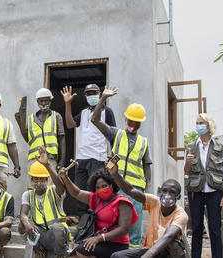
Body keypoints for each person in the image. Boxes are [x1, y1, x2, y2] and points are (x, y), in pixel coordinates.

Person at [91, 86, 151, 247]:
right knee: (113, 228)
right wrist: (102, 98)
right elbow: (95, 120)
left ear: (140, 123)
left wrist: (147, 192)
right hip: (117, 188)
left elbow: (147, 167)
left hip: (136, 190)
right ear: (126, 120)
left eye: (135, 122)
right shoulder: (116, 134)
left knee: (134, 233)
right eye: (130, 121)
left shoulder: (144, 142)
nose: (132, 124)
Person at [58, 156, 137, 258]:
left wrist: (99, 238)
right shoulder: (97, 198)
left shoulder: (122, 202)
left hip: (117, 245)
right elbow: (76, 193)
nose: (101, 189)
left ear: (112, 185)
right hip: (98, 241)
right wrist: (65, 178)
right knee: (74, 254)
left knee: (81, 251)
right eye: (98, 188)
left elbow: (123, 229)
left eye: (104, 186)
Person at [108, 163, 188, 258]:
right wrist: (115, 174)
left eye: (172, 192)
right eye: (164, 191)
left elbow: (168, 236)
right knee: (117, 256)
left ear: (178, 197)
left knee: (173, 242)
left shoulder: (181, 214)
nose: (167, 195)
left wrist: (146, 256)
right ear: (159, 192)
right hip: (150, 249)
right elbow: (130, 190)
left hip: (168, 254)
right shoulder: (154, 202)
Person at [61, 84, 116, 216]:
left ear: (99, 94)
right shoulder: (84, 112)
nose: (92, 96)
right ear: (85, 96)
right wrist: (68, 104)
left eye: (94, 93)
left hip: (98, 158)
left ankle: (97, 219)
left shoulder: (106, 112)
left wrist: (112, 160)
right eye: (89, 94)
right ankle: (83, 221)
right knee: (80, 191)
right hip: (81, 159)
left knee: (96, 190)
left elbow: (113, 136)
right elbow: (70, 124)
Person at [184, 113, 223, 258]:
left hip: (214, 190)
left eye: (201, 123)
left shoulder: (220, 147)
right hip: (196, 191)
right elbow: (186, 172)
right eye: (197, 123)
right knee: (196, 227)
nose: (198, 126)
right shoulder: (191, 147)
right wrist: (188, 163)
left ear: (208, 125)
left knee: (215, 228)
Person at [19, 146, 69, 257]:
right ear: (31, 180)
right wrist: (27, 223)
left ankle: (60, 254)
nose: (38, 182)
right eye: (36, 178)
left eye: (42, 179)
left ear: (47, 180)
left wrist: (47, 165)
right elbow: (23, 214)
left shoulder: (54, 191)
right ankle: (39, 251)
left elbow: (61, 186)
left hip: (56, 236)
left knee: (57, 227)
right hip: (39, 236)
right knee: (23, 224)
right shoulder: (28, 194)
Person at [15, 88, 66, 188]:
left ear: (50, 101)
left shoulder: (56, 116)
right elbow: (28, 139)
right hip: (34, 159)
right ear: (37, 102)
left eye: (46, 100)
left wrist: (61, 161)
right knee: (32, 189)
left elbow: (62, 139)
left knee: (50, 188)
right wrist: (19, 122)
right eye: (41, 101)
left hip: (50, 159)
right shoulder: (30, 119)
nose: (44, 103)